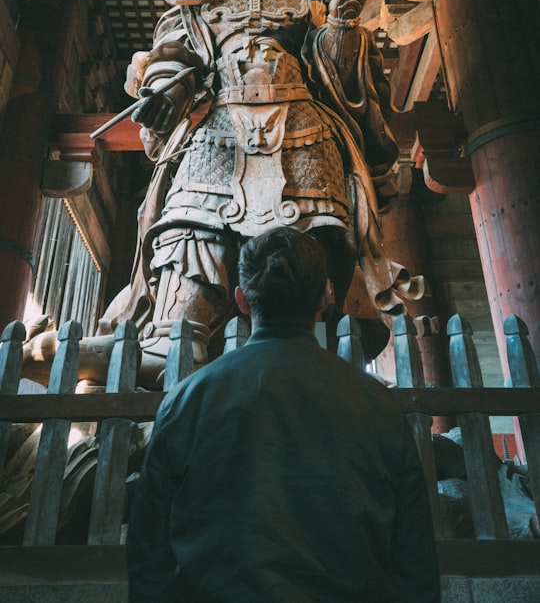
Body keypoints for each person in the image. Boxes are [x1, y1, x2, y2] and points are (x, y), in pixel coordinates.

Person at [22, 0, 423, 388]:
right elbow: (173, 57)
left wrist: (342, 25)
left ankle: (310, 350)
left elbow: (342, 80)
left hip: (305, 139)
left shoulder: (312, 11)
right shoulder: (195, 11)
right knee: (192, 235)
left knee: (302, 252)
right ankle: (171, 342)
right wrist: (165, 89)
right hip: (215, 137)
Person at [126, 227, 440, 602]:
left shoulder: (185, 401)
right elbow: (414, 559)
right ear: (326, 295)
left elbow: (148, 549)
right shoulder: (378, 405)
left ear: (241, 300)